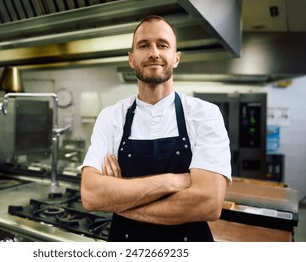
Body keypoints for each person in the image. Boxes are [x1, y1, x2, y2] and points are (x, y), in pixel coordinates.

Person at [80, 15, 232, 242]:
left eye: (163, 45)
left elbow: (208, 203)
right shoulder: (111, 117)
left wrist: (119, 200)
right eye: (144, 45)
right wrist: (172, 181)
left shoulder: (205, 114)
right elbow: (92, 195)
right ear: (131, 59)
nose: (154, 53)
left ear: (176, 58)